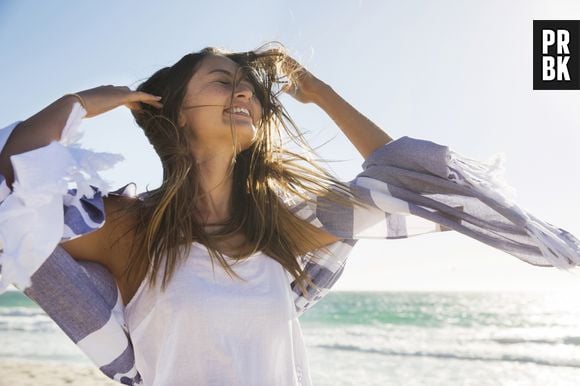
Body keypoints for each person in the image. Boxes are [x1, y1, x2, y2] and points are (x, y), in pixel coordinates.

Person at [0, 42, 578, 386]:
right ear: (176, 112)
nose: (244, 93)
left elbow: (398, 177)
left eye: (250, 86)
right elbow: (15, 183)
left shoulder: (279, 230)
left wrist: (320, 91)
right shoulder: (128, 228)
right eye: (223, 81)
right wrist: (86, 101)